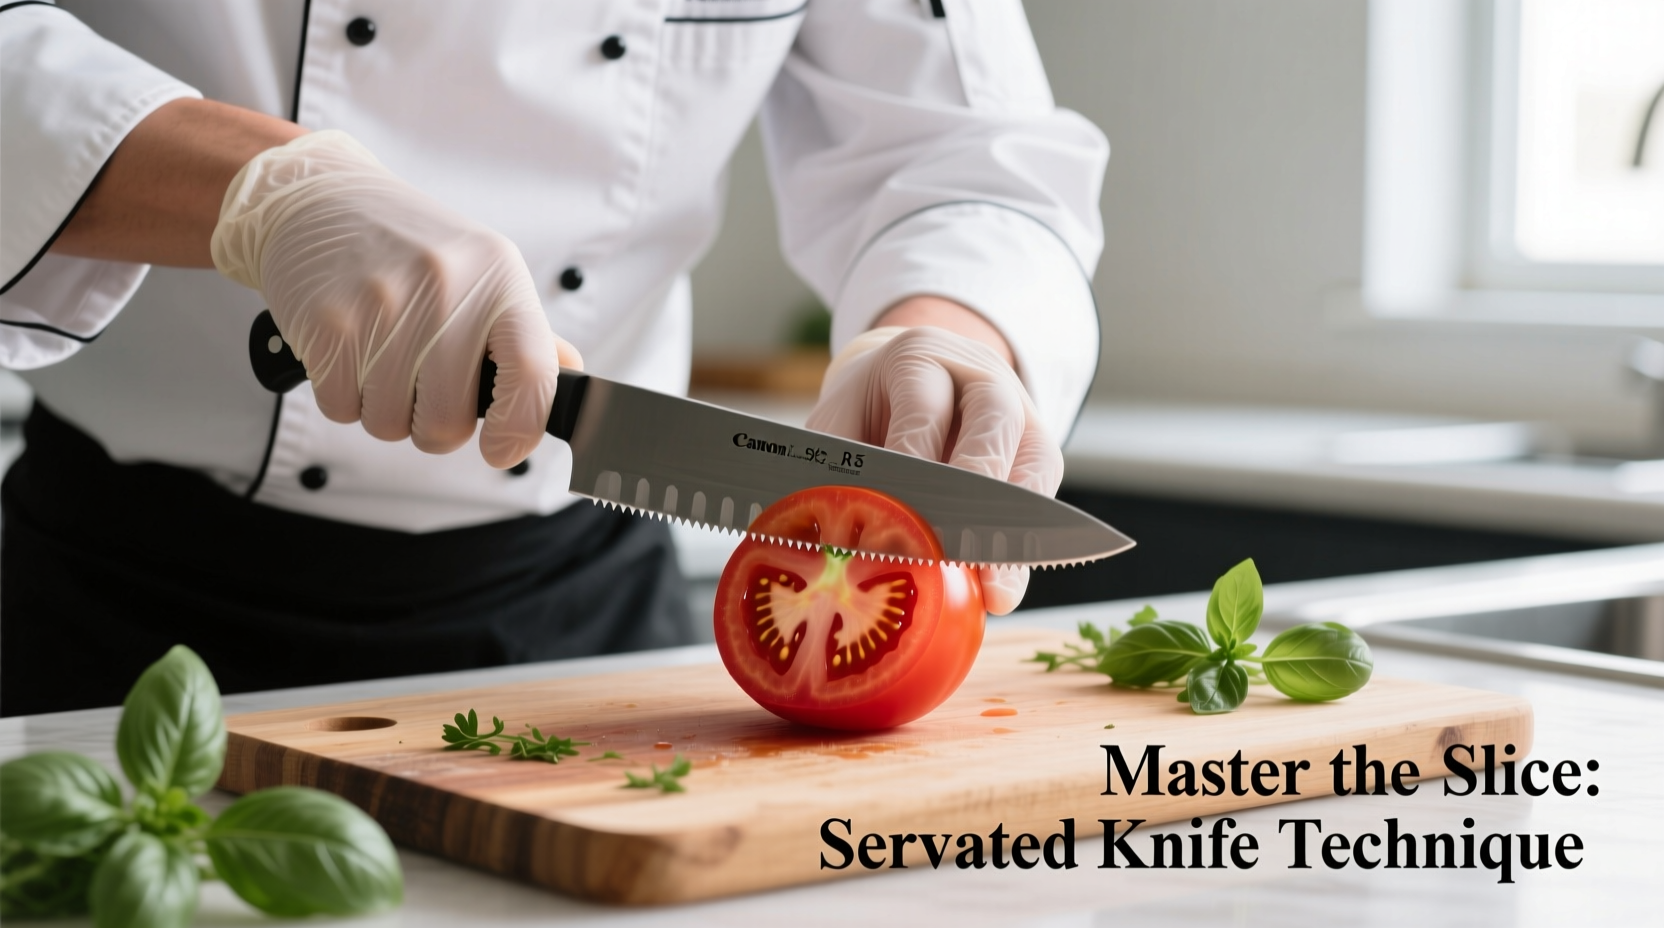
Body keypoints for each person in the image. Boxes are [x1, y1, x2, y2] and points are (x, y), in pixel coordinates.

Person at [0, 0, 1107, 716]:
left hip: (589, 636)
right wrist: (259, 190)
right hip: (123, 620)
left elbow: (960, 141)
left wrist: (949, 329)